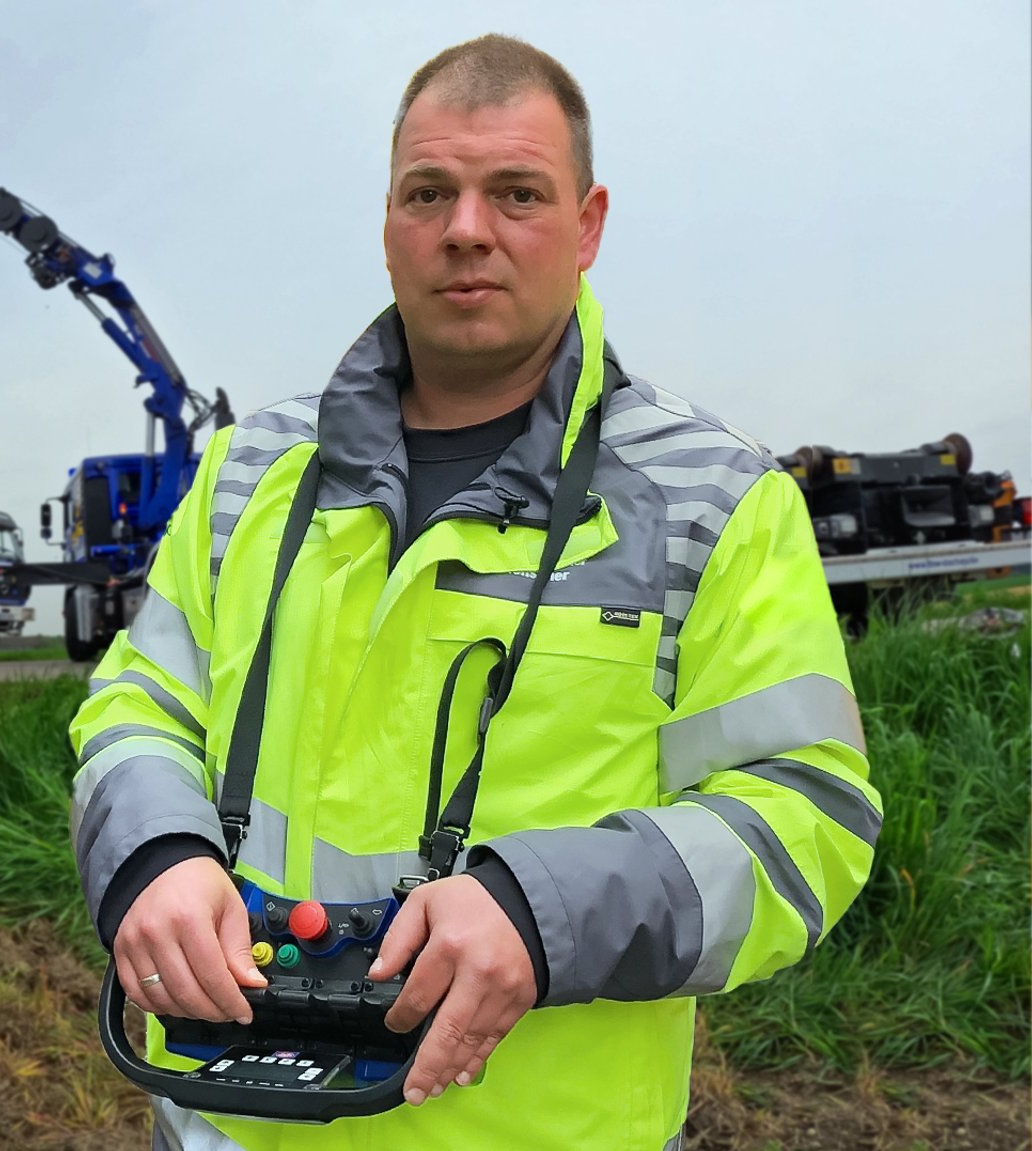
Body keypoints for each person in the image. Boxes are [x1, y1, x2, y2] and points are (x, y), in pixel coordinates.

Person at [70, 33, 879, 1150]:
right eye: (427, 191)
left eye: (515, 192)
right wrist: (155, 855)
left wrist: (538, 912)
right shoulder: (247, 473)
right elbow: (135, 704)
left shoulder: (715, 497)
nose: (464, 228)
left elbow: (804, 815)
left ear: (587, 224)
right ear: (387, 218)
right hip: (227, 1125)